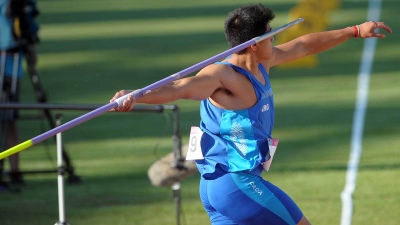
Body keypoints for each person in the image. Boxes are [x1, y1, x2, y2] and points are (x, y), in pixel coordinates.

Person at [110, 4, 392, 225]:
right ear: (255, 43)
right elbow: (181, 88)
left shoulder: (262, 63)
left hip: (218, 188)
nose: (276, 40)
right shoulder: (221, 75)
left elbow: (303, 46)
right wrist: (136, 96)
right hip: (237, 184)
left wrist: (354, 30)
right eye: (271, 35)